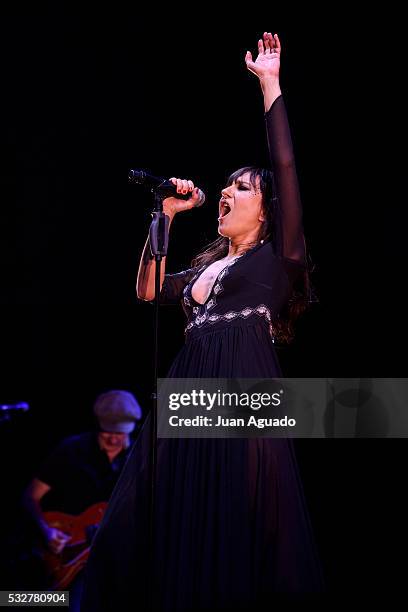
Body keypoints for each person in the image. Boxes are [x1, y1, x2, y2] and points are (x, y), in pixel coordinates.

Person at [81, 32, 324, 611]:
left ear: (267, 213)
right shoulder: (203, 271)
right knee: (150, 513)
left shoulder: (277, 260)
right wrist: (162, 215)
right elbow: (145, 291)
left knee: (239, 521)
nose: (224, 192)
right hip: (189, 390)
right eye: (226, 185)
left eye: (241, 188)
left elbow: (285, 165)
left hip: (243, 388)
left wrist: (270, 83)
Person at [22, 390, 142, 612]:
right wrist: (47, 531)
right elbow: (31, 496)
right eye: (108, 432)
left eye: (121, 433)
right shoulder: (71, 450)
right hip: (70, 554)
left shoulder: (140, 457)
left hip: (116, 555)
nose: (114, 439)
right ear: (98, 423)